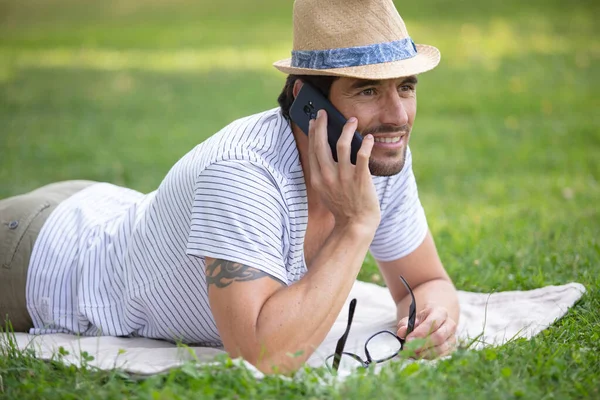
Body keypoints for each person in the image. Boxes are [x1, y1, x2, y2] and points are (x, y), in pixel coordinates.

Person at [0, 0, 459, 374]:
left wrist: (434, 317)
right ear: (307, 101)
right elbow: (265, 358)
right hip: (34, 258)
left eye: (406, 87)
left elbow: (428, 282)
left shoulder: (373, 154)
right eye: (368, 91)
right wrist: (356, 225)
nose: (398, 116)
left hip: (104, 208)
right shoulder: (243, 171)